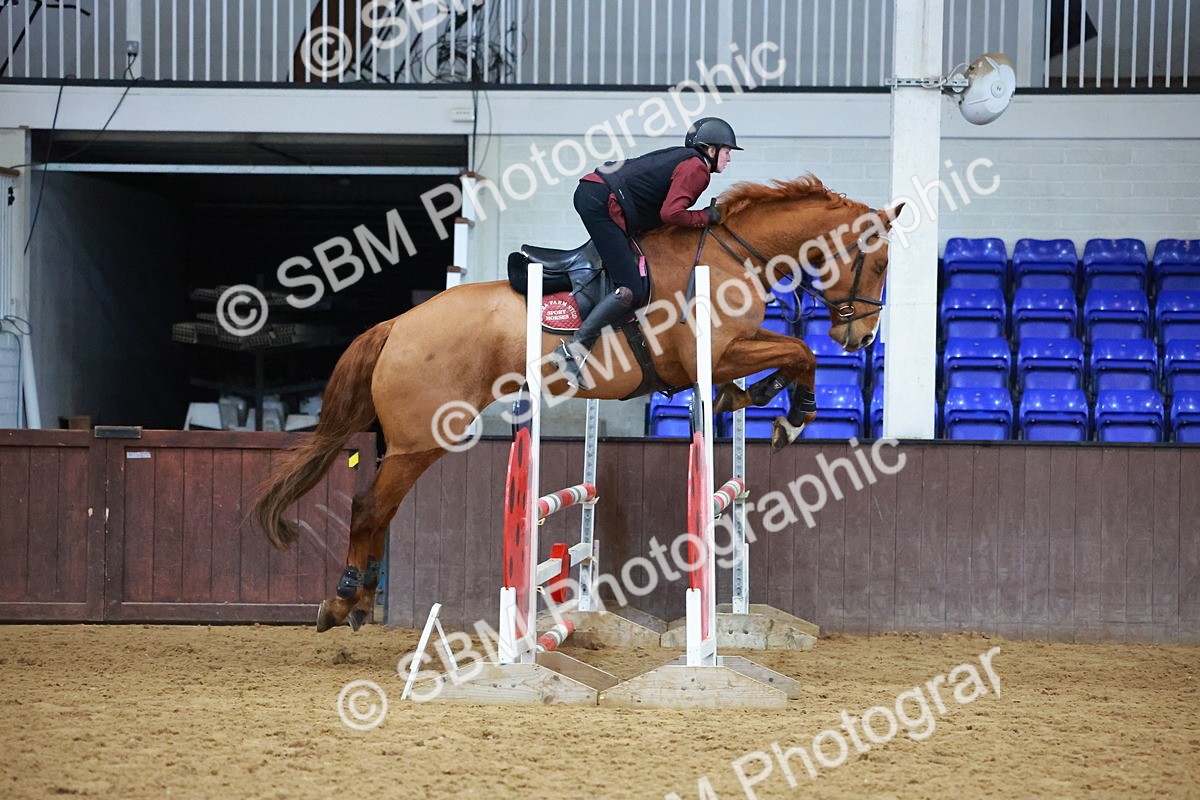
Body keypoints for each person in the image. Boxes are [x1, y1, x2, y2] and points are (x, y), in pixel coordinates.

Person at [555, 117, 742, 389]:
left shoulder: (688, 160)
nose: (729, 159)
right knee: (631, 289)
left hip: (597, 193)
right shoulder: (697, 169)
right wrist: (706, 216)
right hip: (600, 201)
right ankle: (573, 350)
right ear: (711, 150)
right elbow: (671, 213)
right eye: (727, 152)